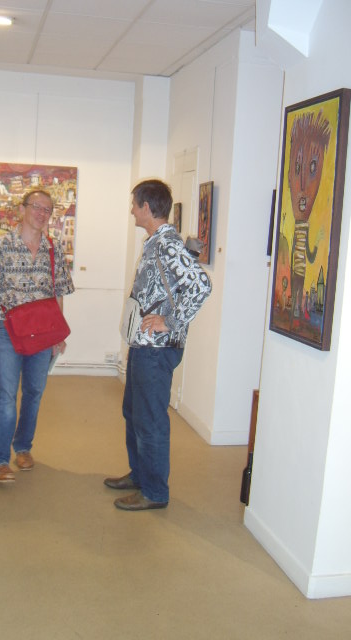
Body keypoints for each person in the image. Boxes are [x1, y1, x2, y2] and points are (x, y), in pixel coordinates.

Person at [104, 179, 212, 510]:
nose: (132, 210)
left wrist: (171, 321)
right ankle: (140, 475)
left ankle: (154, 492)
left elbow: (200, 285)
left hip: (157, 348)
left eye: (135, 204)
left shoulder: (168, 245)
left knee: (150, 419)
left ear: (147, 208)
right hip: (143, 345)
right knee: (134, 413)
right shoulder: (156, 243)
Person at [0, 189, 74, 483]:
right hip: (7, 330)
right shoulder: (0, 247)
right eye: (36, 207)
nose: (42, 214)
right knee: (5, 394)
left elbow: (58, 294)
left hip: (42, 334)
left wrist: (57, 333)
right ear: (22, 210)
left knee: (34, 392)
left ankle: (23, 447)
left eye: (47, 210)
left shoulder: (53, 249)